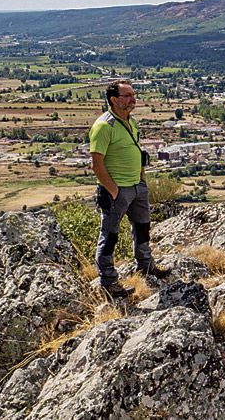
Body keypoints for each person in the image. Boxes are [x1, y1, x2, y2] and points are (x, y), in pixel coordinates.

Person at [90, 80, 168, 298]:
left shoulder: (130, 122)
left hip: (137, 186)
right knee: (110, 236)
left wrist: (141, 177)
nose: (133, 99)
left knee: (142, 227)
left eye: (133, 94)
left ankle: (146, 265)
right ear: (114, 100)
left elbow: (137, 151)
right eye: (127, 96)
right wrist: (113, 191)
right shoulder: (104, 126)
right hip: (118, 190)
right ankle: (108, 282)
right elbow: (97, 164)